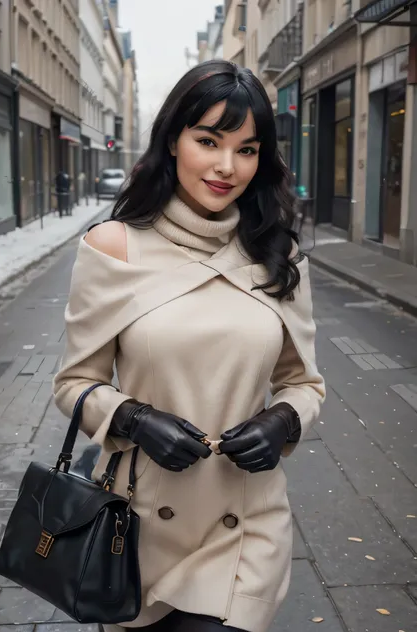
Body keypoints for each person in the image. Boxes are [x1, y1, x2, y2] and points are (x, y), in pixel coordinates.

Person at [53, 60, 325, 632]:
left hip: (246, 520)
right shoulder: (115, 247)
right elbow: (75, 383)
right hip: (138, 521)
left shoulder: (279, 255)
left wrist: (282, 421)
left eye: (247, 149)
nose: (228, 166)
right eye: (208, 141)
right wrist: (134, 416)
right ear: (173, 141)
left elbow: (303, 383)